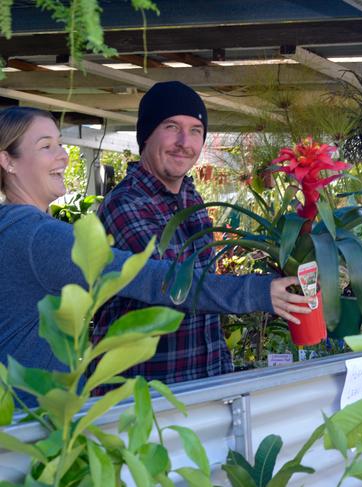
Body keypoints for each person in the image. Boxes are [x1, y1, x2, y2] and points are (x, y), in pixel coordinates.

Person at [0, 106, 308, 403]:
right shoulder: (40, 235)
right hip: (36, 419)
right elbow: (149, 277)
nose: (63, 156)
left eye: (60, 143)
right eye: (46, 146)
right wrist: (256, 292)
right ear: (7, 161)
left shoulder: (13, 228)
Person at [92, 81, 288, 387]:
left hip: (202, 384)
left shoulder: (190, 199)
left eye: (196, 130)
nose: (185, 141)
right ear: (146, 135)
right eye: (172, 126)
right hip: (144, 395)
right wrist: (258, 292)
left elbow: (204, 290)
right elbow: (172, 285)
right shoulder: (125, 204)